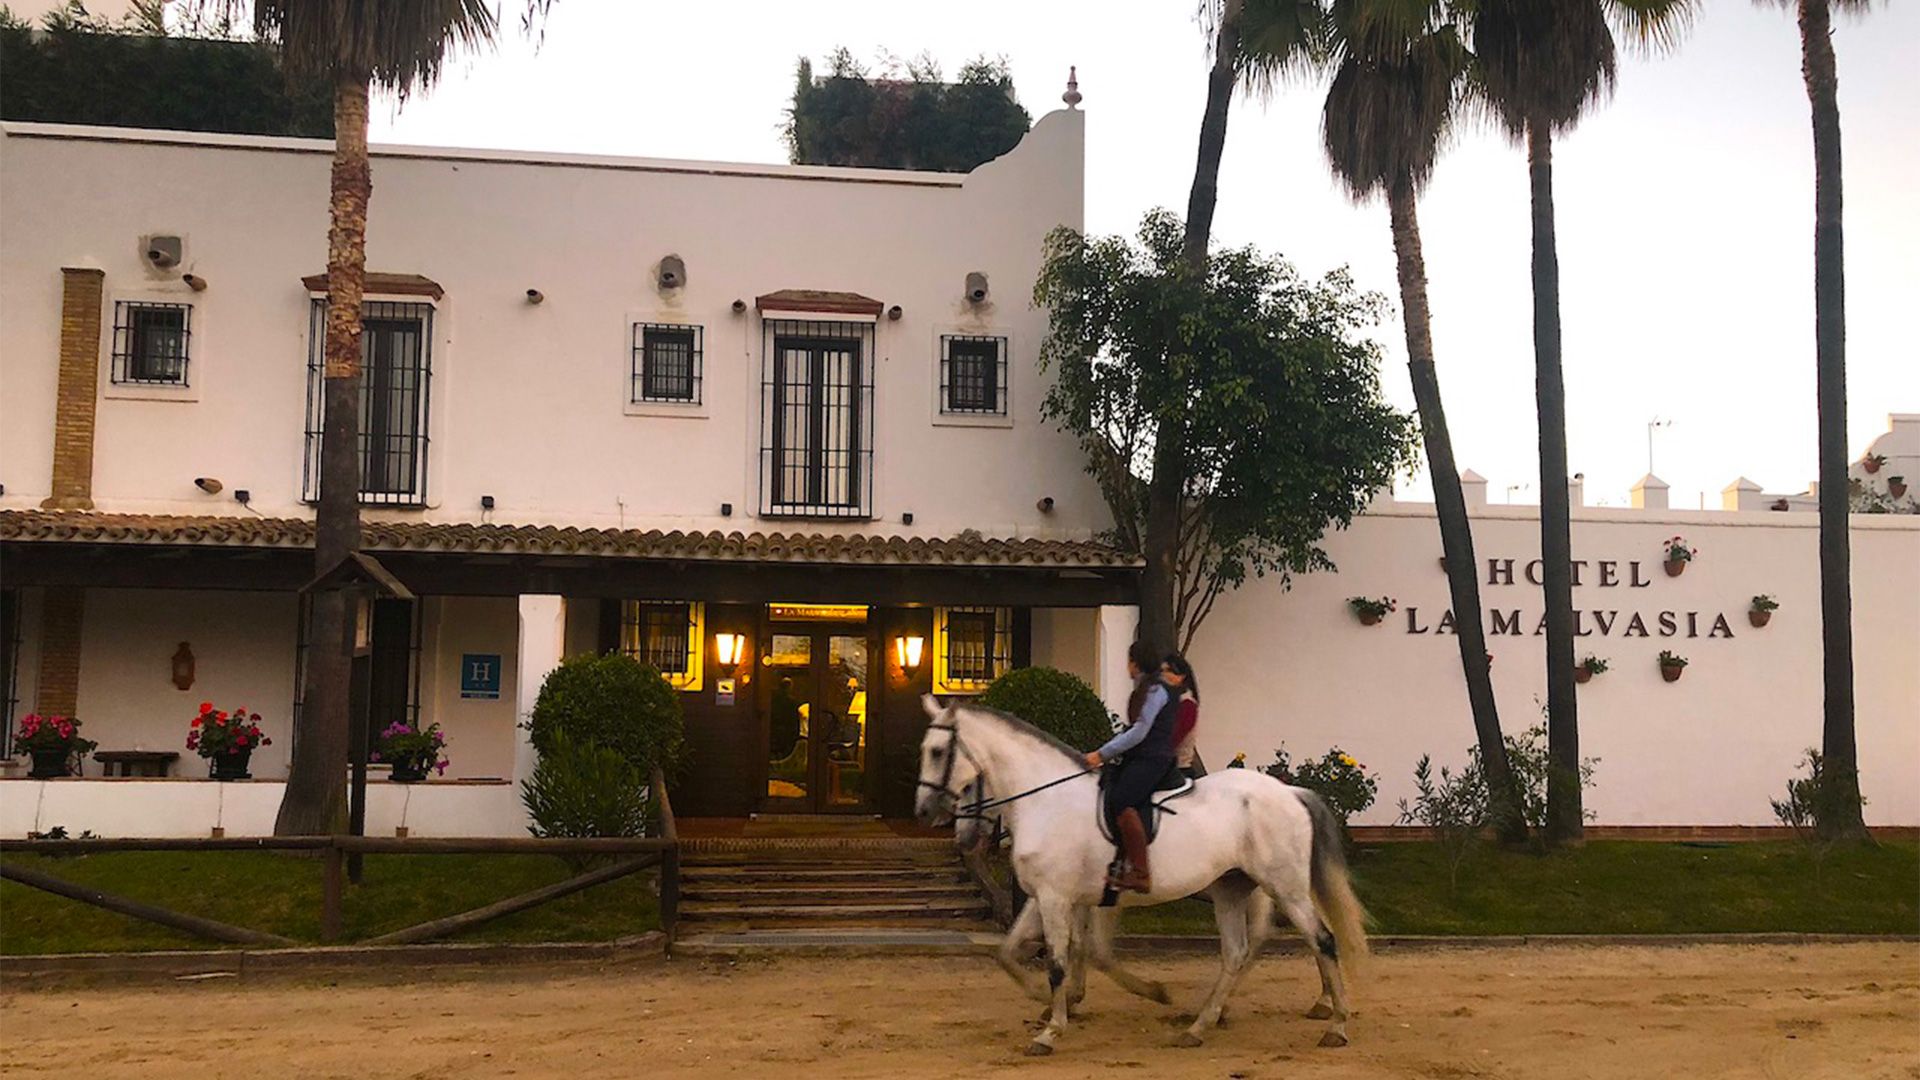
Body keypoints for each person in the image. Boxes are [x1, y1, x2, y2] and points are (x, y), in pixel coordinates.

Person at [1082, 640, 1179, 893]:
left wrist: (1102, 754)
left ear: (1135, 662)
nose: (1127, 666)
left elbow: (1140, 731)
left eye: (1129, 661)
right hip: (1143, 756)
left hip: (1153, 758)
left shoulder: (1156, 691)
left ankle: (1140, 872)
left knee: (1121, 800)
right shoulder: (1147, 688)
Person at [1162, 653, 1201, 779]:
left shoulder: (1187, 704)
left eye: (1167, 671)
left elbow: (1174, 736)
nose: (1162, 675)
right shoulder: (1167, 700)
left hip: (1177, 768)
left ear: (1181, 676)